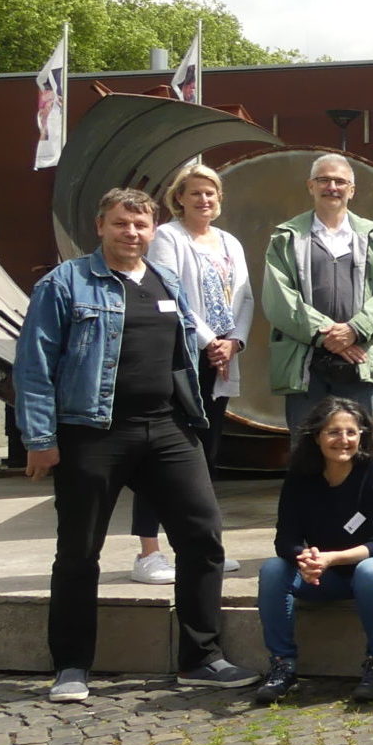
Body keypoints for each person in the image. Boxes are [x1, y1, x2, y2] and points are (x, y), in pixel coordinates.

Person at [13, 188, 258, 703]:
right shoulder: (66, 283)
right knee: (79, 552)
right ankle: (73, 666)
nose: (132, 233)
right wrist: (39, 438)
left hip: (167, 429)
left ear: (153, 231)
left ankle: (201, 657)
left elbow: (181, 351)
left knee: (202, 536)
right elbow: (35, 364)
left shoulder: (165, 281)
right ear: (101, 225)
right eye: (121, 223)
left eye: (141, 225)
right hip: (93, 432)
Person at [127, 164, 254, 584]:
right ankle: (148, 552)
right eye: (195, 193)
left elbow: (246, 298)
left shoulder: (229, 242)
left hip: (222, 360)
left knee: (204, 453)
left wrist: (233, 340)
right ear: (178, 197)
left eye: (211, 194)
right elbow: (170, 291)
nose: (204, 200)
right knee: (161, 454)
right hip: (182, 357)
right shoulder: (168, 237)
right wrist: (208, 342)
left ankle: (202, 545)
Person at [254, 399, 373, 704]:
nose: (343, 440)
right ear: (316, 436)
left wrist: (330, 558)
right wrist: (302, 558)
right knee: (273, 570)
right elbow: (286, 538)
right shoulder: (300, 477)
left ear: (362, 436)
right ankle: (282, 667)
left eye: (350, 432)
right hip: (326, 572)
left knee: (368, 572)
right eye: (333, 432)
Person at [263, 154, 373, 436]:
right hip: (305, 364)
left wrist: (354, 330)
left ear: (352, 190)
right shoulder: (286, 238)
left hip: (358, 361)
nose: (332, 187)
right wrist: (328, 336)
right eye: (323, 180)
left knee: (358, 448)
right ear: (310, 186)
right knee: (306, 449)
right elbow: (279, 299)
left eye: (340, 181)